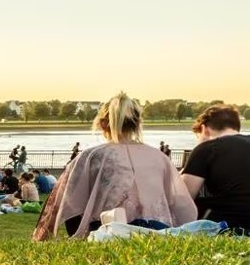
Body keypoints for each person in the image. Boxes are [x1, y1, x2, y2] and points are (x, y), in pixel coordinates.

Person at [33, 92, 196, 241]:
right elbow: (182, 205)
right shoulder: (160, 158)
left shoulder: (92, 156)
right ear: (137, 124)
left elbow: (61, 200)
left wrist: (40, 236)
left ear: (103, 124)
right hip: (158, 232)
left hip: (109, 231)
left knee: (76, 199)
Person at [181, 104, 250, 233]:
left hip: (229, 223)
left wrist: (201, 146)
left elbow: (184, 197)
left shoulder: (207, 149)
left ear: (204, 129)